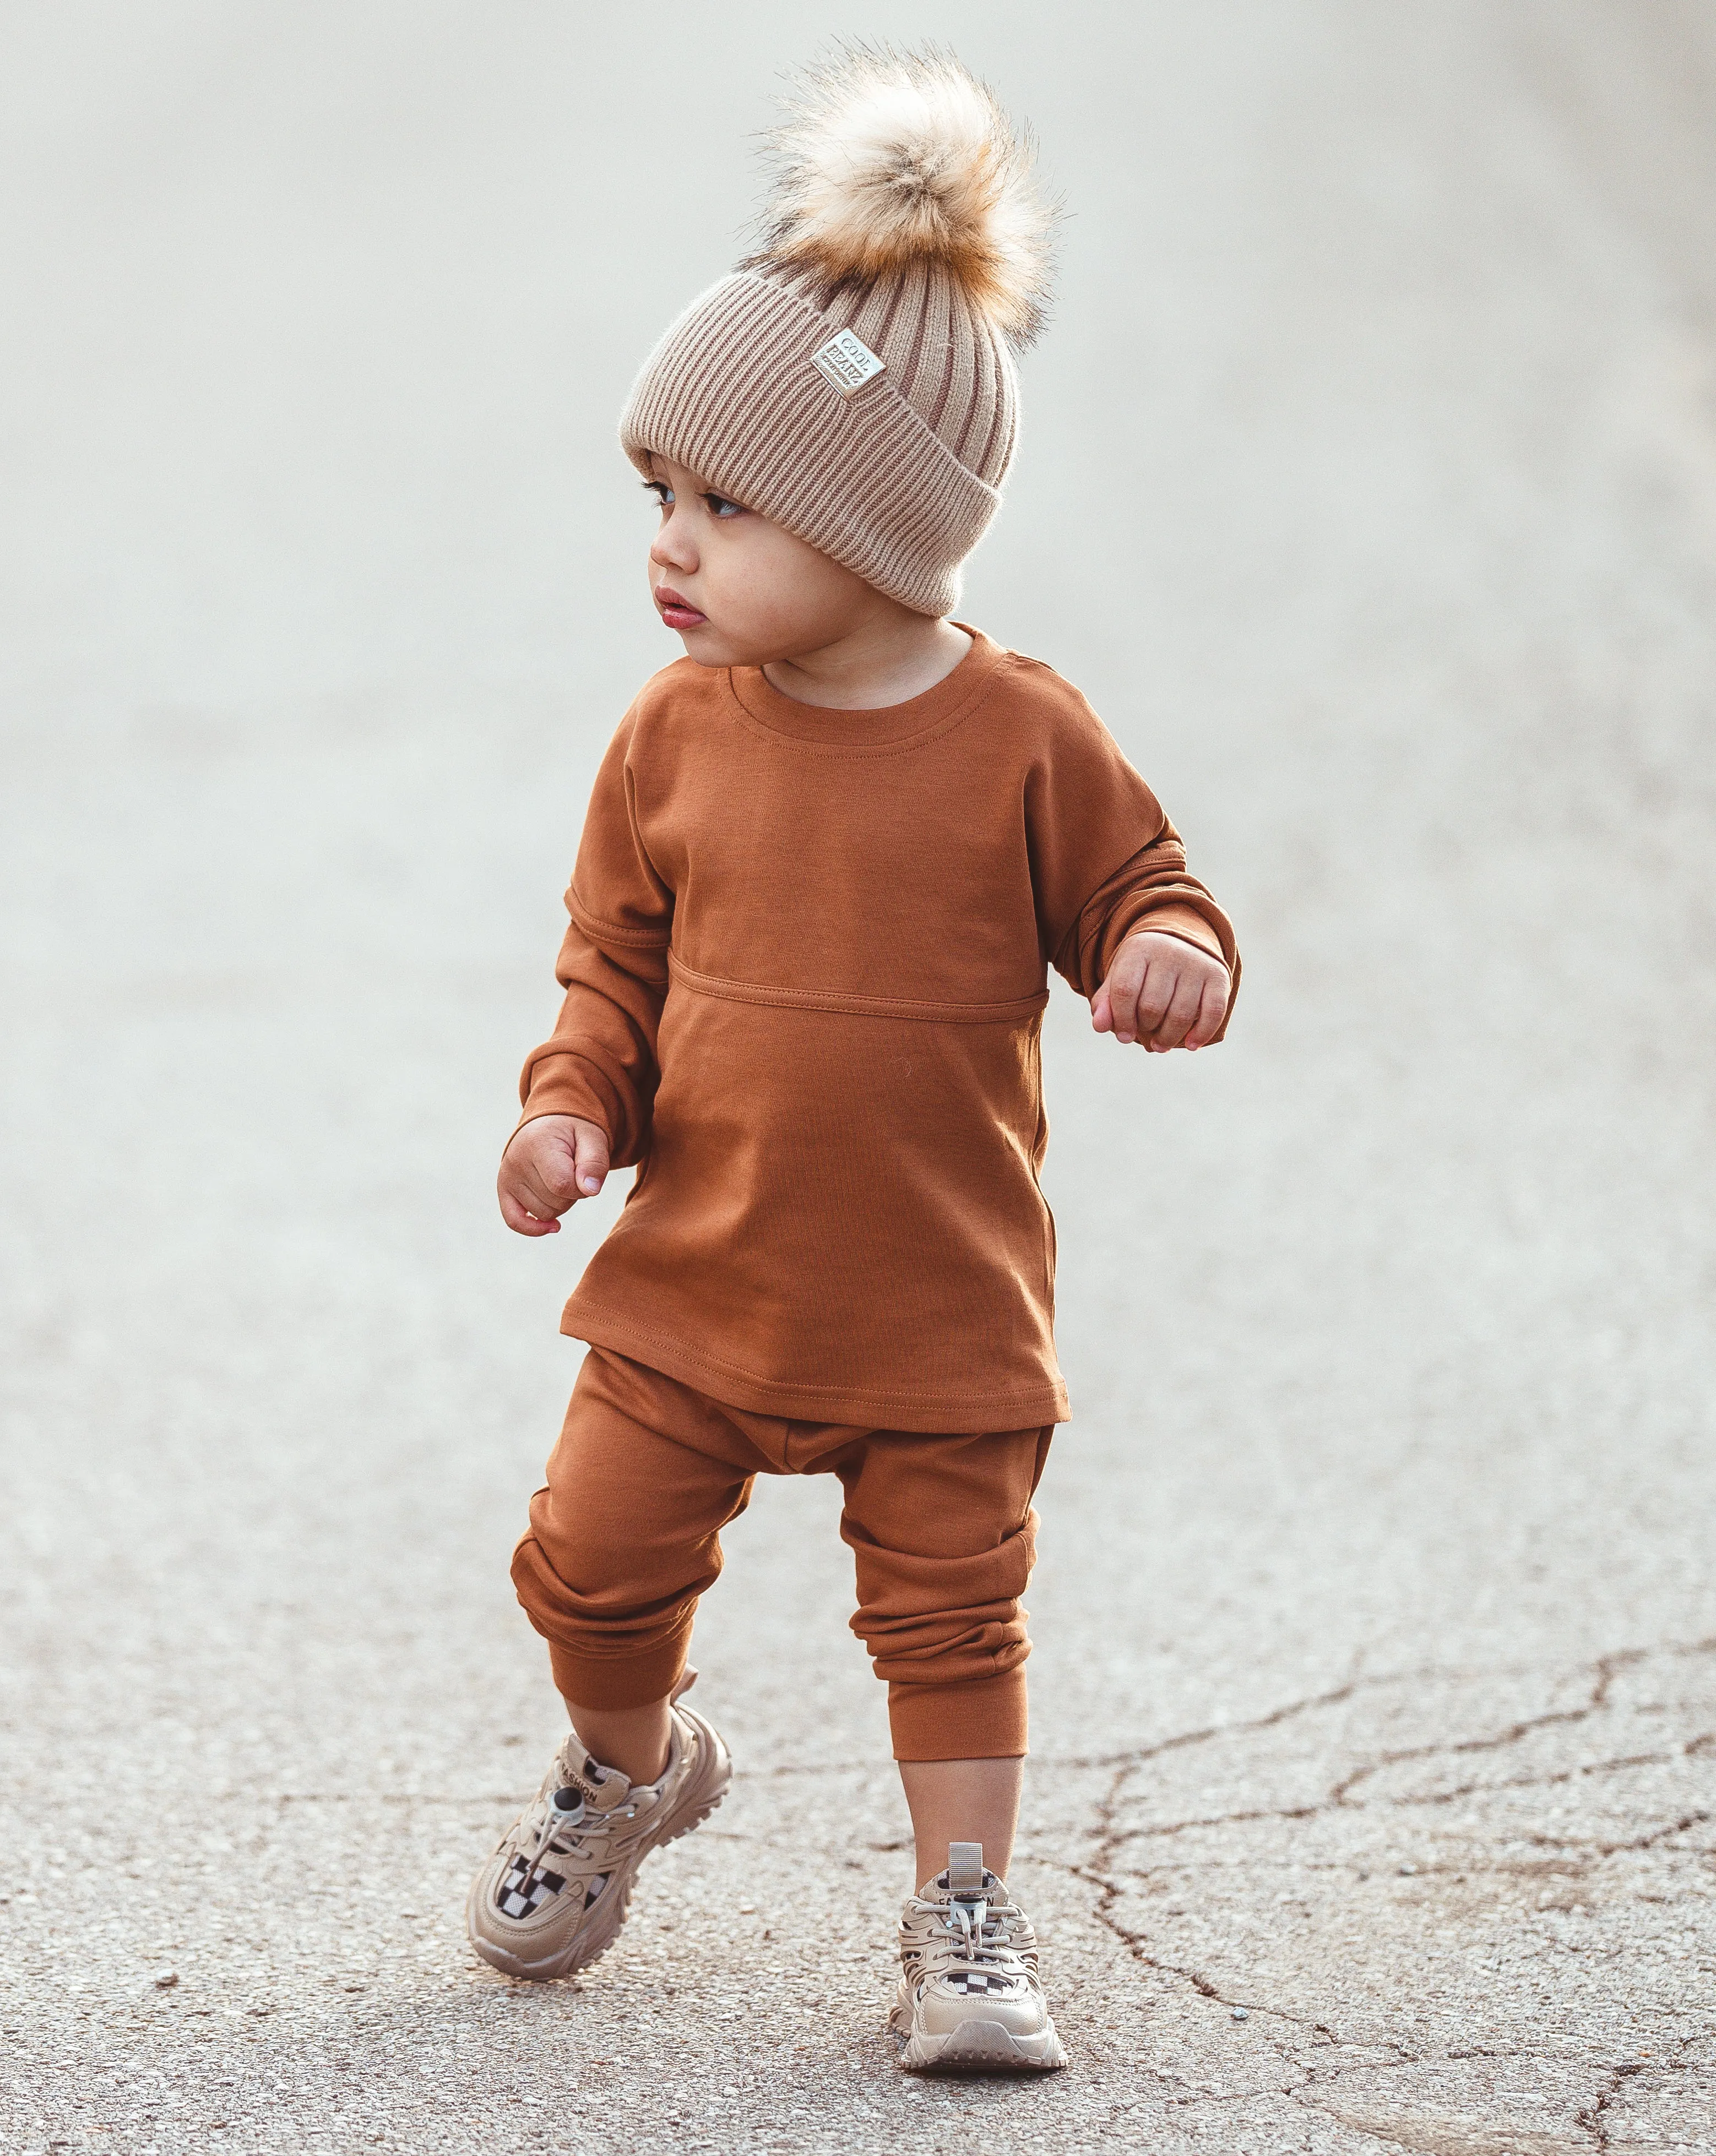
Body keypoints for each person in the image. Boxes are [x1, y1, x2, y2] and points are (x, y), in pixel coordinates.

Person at [463, 45, 1238, 2074]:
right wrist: (567, 1105)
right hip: (700, 1278)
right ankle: (625, 1767)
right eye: (659, 495)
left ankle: (960, 1913)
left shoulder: (1023, 738)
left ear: (879, 527)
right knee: (584, 1561)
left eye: (726, 503)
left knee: (952, 1615)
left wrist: (1163, 950)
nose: (674, 541)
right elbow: (608, 971)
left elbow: (1150, 886)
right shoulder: (668, 737)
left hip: (939, 1300)